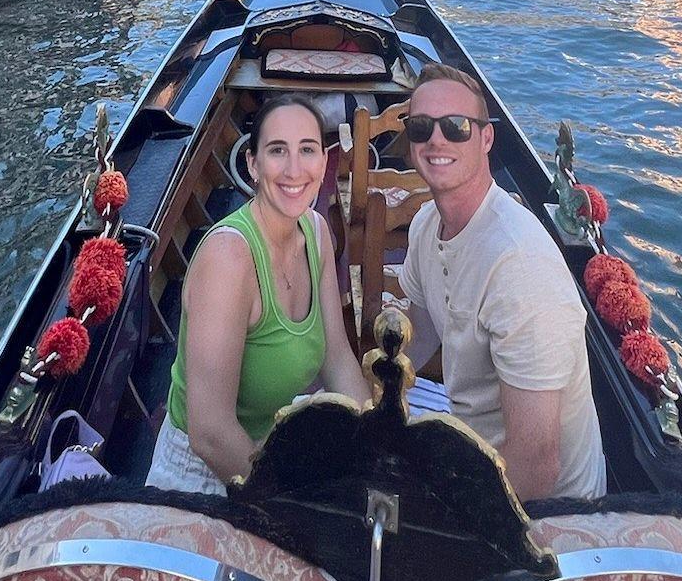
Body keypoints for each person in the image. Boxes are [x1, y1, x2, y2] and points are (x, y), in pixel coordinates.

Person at [397, 63, 606, 502]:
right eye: (421, 127)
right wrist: (377, 394)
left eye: (456, 127)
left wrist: (438, 515)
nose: (436, 140)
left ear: (486, 138)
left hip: (549, 508)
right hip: (472, 450)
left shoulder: (520, 266)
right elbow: (420, 335)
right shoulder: (426, 225)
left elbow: (535, 466)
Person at [148, 93, 369, 494]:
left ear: (324, 162)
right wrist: (288, 507)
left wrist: (376, 446)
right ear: (253, 164)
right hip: (201, 473)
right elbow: (210, 433)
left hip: (269, 446)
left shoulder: (317, 232)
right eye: (277, 150)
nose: (294, 169)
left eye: (307, 150)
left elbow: (337, 358)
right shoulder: (229, 258)